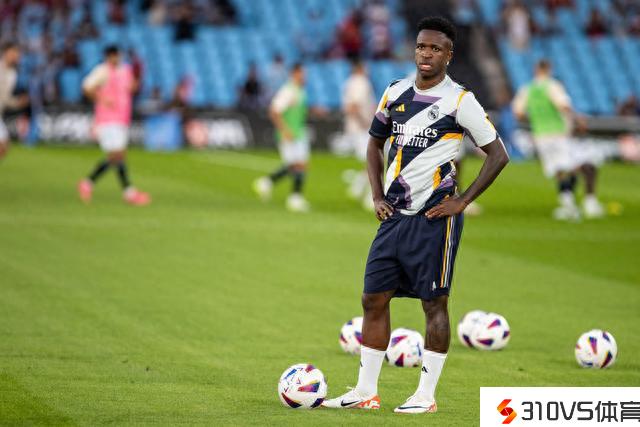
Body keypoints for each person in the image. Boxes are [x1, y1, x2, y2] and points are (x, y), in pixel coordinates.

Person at [322, 16, 509, 414]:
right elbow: (374, 144)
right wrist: (376, 194)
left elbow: (498, 154)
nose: (426, 54)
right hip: (394, 216)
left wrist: (462, 200)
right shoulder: (395, 92)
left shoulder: (460, 100)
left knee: (434, 304)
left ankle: (425, 396)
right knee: (373, 298)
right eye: (422, 46)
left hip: (435, 218)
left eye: (435, 48)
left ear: (448, 55)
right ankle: (365, 392)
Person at [512, 59, 604, 219]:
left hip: (541, 136)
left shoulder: (527, 89)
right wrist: (578, 120)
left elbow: (518, 113)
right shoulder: (552, 86)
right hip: (559, 135)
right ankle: (589, 203)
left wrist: (537, 120)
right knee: (584, 164)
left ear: (535, 70)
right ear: (548, 69)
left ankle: (568, 206)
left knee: (560, 171)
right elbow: (563, 106)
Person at [77, 45, 151, 206]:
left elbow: (132, 88)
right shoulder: (102, 71)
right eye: (114, 56)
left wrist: (139, 76)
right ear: (108, 57)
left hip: (122, 118)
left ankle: (89, 183)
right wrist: (102, 98)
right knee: (116, 155)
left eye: (118, 55)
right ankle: (126, 191)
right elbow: (86, 87)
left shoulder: (125, 70)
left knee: (117, 156)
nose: (117, 58)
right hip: (107, 119)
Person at [253, 63, 310, 212]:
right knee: (298, 164)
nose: (305, 76)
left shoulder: (299, 90)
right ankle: (294, 198)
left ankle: (267, 183)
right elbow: (274, 111)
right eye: (302, 73)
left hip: (298, 132)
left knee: (296, 165)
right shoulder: (288, 91)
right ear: (294, 73)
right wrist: (284, 130)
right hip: (289, 134)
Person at [342, 58, 376, 210]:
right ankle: (370, 197)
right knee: (373, 162)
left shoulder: (349, 82)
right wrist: (364, 122)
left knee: (370, 161)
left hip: (354, 128)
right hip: (362, 129)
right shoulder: (361, 83)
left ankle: (357, 187)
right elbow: (353, 106)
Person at [0, 42, 28, 161]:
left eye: (17, 53)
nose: (16, 56)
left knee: (4, 146)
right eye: (14, 52)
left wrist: (18, 102)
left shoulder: (12, 74)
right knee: (3, 144)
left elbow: (4, 98)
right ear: (6, 52)